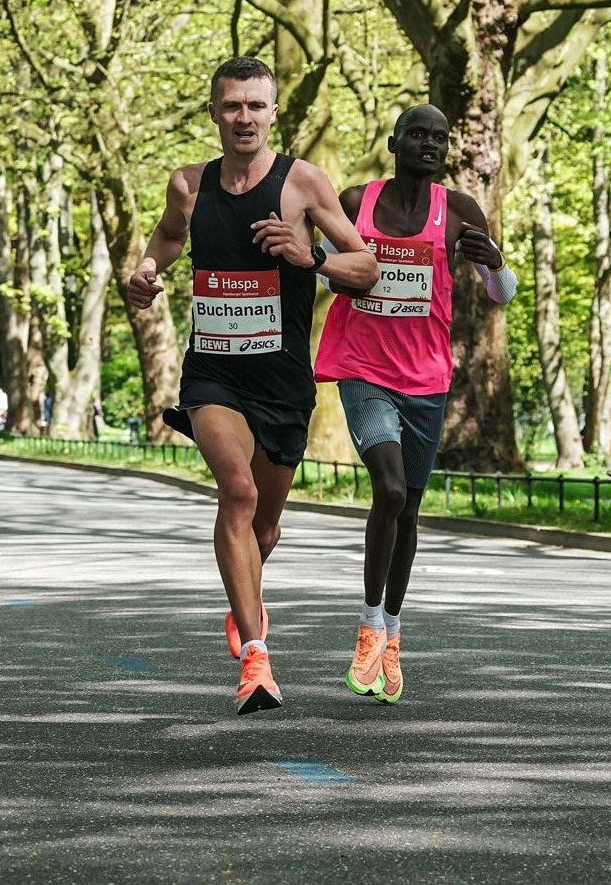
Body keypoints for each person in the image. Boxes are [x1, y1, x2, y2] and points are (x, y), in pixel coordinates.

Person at [126, 55, 377, 716]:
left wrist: (308, 257)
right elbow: (170, 237)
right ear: (213, 113)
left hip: (283, 378)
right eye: (231, 105)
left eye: (255, 106)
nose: (243, 117)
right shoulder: (188, 184)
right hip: (214, 371)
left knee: (264, 525)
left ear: (273, 114)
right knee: (234, 492)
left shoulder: (303, 184)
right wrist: (148, 270)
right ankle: (255, 658)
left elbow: (366, 266)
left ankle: (244, 603)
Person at [313, 103, 517, 706]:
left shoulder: (457, 211)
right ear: (394, 141)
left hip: (426, 380)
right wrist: (343, 273)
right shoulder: (355, 201)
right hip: (362, 369)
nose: (429, 144)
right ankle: (369, 623)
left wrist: (497, 265)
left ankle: (394, 634)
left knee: (409, 511)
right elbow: (325, 271)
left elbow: (500, 295)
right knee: (391, 490)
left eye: (440, 137)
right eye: (418, 135)